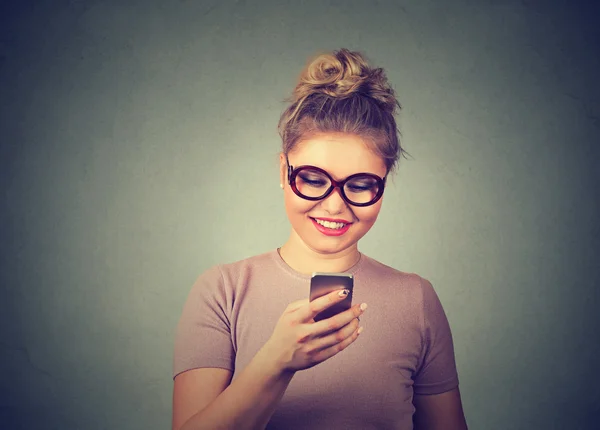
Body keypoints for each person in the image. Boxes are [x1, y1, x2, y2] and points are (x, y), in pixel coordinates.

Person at [172, 48, 468, 430]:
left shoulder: (417, 300)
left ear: (383, 185)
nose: (333, 206)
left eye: (360, 185)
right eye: (312, 179)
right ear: (283, 170)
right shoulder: (222, 291)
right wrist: (275, 361)